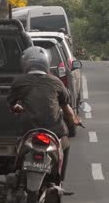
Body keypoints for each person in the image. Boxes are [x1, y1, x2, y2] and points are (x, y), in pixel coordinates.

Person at [7, 46, 81, 182]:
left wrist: (16, 108)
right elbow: (66, 108)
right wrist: (75, 120)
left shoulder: (19, 81)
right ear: (47, 62)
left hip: (28, 130)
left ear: (25, 63)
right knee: (65, 145)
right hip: (54, 130)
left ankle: (16, 172)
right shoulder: (56, 81)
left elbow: (11, 103)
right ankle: (59, 180)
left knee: (17, 148)